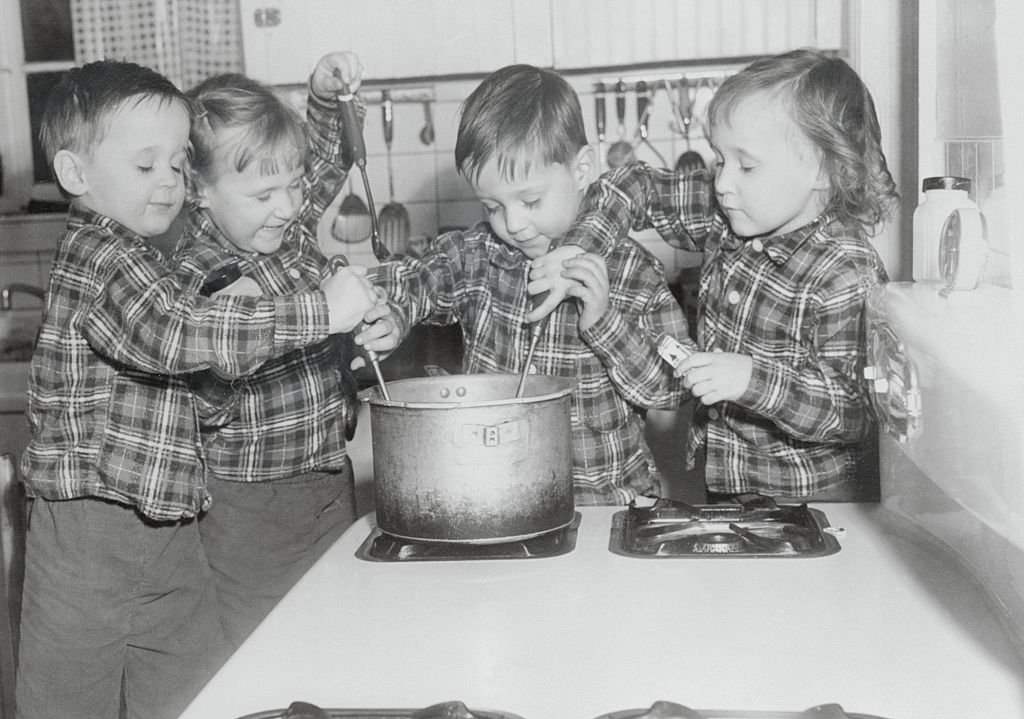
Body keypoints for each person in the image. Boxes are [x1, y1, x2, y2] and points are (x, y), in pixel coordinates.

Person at [10, 59, 380, 719]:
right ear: (74, 173)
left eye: (178, 164)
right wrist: (321, 312)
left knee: (195, 712)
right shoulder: (99, 258)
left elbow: (289, 177)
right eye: (146, 164)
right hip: (87, 534)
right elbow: (176, 332)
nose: (169, 182)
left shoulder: (146, 253)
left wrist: (318, 107)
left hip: (170, 526)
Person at [534, 48, 899, 503]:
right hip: (726, 484)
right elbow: (633, 184)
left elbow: (856, 410)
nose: (723, 183)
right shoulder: (726, 214)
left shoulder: (846, 272)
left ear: (823, 169)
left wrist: (752, 379)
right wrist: (581, 245)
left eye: (746, 166)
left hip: (817, 503)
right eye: (720, 160)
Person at [369, 64, 694, 505]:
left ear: (582, 170)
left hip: (607, 504)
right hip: (499, 500)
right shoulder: (477, 256)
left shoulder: (632, 271)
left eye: (531, 200)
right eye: (492, 206)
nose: (514, 224)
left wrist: (603, 322)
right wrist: (391, 311)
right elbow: (416, 278)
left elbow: (670, 390)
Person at [176, 52, 399, 650]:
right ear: (199, 190)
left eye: (294, 186)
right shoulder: (204, 274)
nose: (290, 205)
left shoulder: (279, 230)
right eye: (264, 194)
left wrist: (324, 100)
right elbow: (204, 401)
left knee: (338, 639)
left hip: (327, 479)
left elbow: (321, 160)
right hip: (251, 507)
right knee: (268, 651)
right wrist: (246, 340)